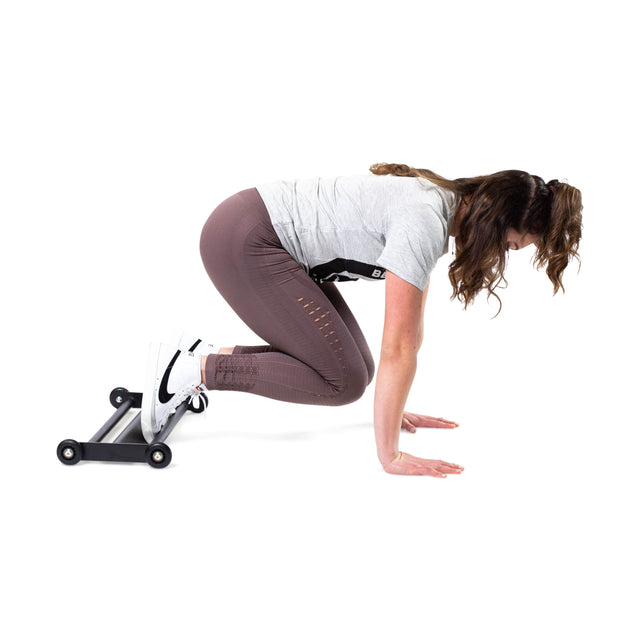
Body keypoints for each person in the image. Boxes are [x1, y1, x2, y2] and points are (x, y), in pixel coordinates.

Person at [140, 163, 583, 477]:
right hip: (245, 238)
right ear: (493, 221)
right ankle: (188, 372)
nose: (500, 255)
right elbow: (400, 347)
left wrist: (394, 404)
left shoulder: (442, 205)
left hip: (258, 232)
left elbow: (411, 335)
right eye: (508, 245)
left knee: (361, 370)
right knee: (343, 382)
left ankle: (200, 356)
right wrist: (390, 454)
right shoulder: (425, 221)